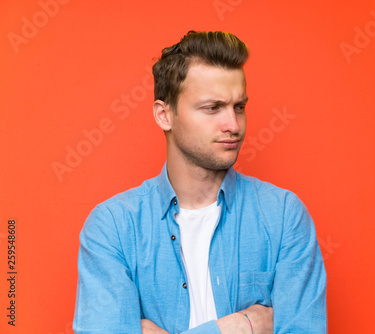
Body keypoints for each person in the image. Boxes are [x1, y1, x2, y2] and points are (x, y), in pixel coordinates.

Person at [73, 30, 327, 334]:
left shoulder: (284, 217)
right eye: (212, 108)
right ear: (164, 115)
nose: (233, 125)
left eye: (239, 107)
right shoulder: (113, 226)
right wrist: (239, 326)